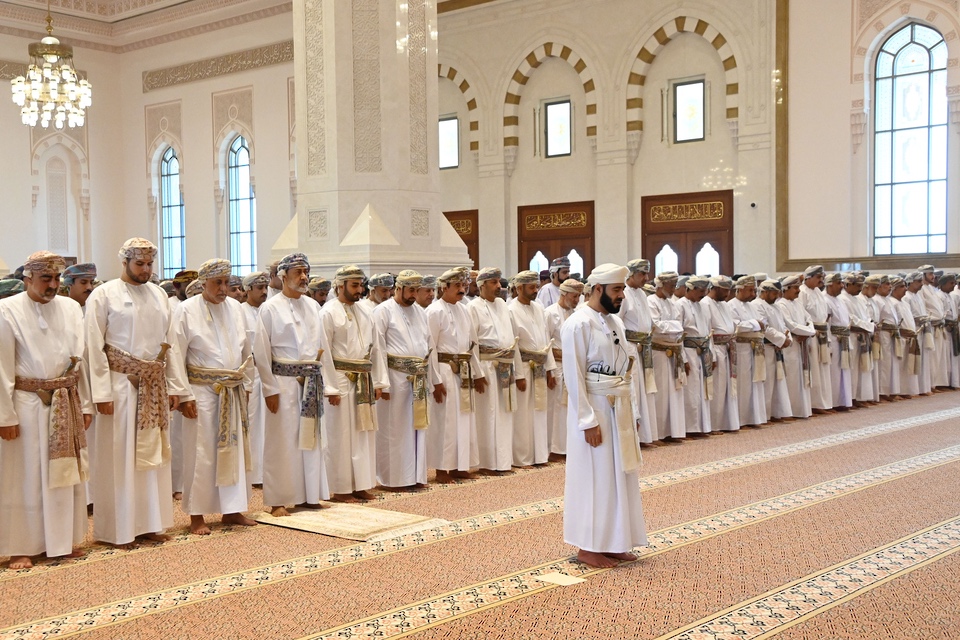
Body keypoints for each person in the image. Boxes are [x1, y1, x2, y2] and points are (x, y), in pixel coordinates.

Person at [85, 238, 189, 547]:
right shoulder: (103, 295)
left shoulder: (159, 294)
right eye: (139, 264)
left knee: (152, 458)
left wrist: (176, 388)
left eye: (149, 264)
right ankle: (117, 531)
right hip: (119, 388)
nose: (145, 269)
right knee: (120, 459)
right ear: (125, 262)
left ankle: (150, 523)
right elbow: (93, 346)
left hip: (155, 388)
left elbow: (171, 346)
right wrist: (101, 393)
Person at [0, 251, 92, 569]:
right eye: (45, 279)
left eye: (57, 278)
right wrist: (5, 415)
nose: (53, 285)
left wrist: (87, 403)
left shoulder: (69, 308)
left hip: (65, 401)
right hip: (26, 405)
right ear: (28, 278)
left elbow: (81, 361)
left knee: (62, 476)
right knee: (24, 477)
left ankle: (60, 541)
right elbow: (1, 368)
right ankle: (20, 546)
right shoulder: (7, 309)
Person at [562, 263, 647, 569]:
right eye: (617, 290)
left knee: (620, 477)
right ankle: (589, 547)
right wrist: (588, 420)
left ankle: (615, 542)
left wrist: (633, 412)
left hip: (619, 408)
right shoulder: (578, 324)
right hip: (595, 410)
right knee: (595, 479)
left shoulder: (615, 322)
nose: (622, 295)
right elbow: (573, 376)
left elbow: (626, 370)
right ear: (598, 289)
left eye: (623, 289)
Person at [172, 259, 256, 534]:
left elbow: (246, 350)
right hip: (201, 391)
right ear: (203, 282)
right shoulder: (186, 310)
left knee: (233, 449)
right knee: (201, 452)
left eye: (226, 282)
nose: (223, 288)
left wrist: (247, 383)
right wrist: (183, 395)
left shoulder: (236, 308)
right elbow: (175, 354)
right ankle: (197, 515)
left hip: (232, 389)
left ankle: (232, 510)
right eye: (217, 283)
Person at [254, 254, 331, 515]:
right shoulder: (270, 307)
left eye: (306, 271)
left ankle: (308, 495)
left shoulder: (313, 306)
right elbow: (261, 352)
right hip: (283, 383)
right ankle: (277, 500)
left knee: (310, 438)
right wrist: (269, 389)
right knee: (281, 442)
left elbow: (323, 348)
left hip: (311, 382)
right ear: (283, 276)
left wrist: (327, 384)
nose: (304, 277)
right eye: (298, 272)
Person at [318, 265, 388, 502]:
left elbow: (377, 348)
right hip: (341, 380)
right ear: (340, 285)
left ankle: (361, 484)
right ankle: (341, 488)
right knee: (341, 435)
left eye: (361, 285)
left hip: (364, 379)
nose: (359, 290)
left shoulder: (366, 311)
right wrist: (330, 387)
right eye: (354, 285)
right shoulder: (328, 312)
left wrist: (379, 381)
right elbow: (324, 351)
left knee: (363, 433)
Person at [373, 270, 437, 489]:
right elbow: (378, 348)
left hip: (419, 377)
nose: (414, 294)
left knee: (417, 427)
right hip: (395, 377)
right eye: (411, 290)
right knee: (394, 428)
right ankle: (392, 479)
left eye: (416, 290)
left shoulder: (420, 312)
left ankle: (415, 476)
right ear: (398, 288)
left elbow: (430, 346)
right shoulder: (383, 311)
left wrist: (433, 379)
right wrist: (381, 382)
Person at [426, 267, 485, 483]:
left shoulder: (464, 310)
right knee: (446, 421)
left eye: (464, 285)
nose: (462, 290)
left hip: (465, 371)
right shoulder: (434, 311)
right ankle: (442, 469)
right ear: (444, 287)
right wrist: (436, 381)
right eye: (457, 286)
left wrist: (477, 373)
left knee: (464, 419)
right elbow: (429, 347)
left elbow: (471, 346)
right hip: (444, 370)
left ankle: (460, 465)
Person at [468, 268, 524, 474]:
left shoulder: (503, 305)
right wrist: (477, 374)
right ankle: (487, 463)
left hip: (506, 367)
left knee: (505, 414)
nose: (499, 286)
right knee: (488, 415)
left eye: (499, 282)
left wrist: (519, 373)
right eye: (493, 282)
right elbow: (471, 343)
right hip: (486, 368)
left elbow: (514, 341)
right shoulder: (472, 307)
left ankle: (502, 462)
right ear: (482, 286)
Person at [509, 270, 558, 467]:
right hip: (523, 366)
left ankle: (540, 455)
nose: (535, 290)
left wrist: (550, 369)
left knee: (540, 411)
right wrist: (518, 375)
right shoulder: (510, 310)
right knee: (522, 415)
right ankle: (522, 458)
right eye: (531, 287)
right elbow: (513, 345)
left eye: (537, 286)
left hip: (540, 365)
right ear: (519, 288)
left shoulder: (539, 309)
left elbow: (547, 341)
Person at [618, 259, 657, 444]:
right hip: (630, 349)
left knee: (644, 391)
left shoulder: (641, 294)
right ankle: (631, 436)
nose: (646, 278)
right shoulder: (623, 294)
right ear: (631, 274)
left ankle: (643, 436)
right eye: (642, 274)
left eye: (646, 274)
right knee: (633, 390)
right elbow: (617, 324)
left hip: (644, 349)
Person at [544, 278, 583, 459]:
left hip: (573, 366)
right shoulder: (550, 313)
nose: (577, 300)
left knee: (572, 407)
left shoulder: (577, 313)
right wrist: (549, 369)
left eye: (578, 297)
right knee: (557, 407)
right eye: (574, 296)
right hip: (557, 366)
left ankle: (569, 446)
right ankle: (554, 448)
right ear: (564, 294)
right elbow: (546, 343)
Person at [647, 271, 686, 441]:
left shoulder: (673, 304)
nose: (673, 289)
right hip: (658, 352)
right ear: (661, 285)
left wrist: (672, 327)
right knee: (661, 394)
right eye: (671, 286)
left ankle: (674, 431)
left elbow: (680, 327)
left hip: (675, 351)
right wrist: (675, 326)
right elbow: (656, 326)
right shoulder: (650, 302)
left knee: (675, 393)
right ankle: (660, 433)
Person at [727, 275, 768, 427]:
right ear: (740, 289)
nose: (753, 294)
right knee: (743, 384)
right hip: (741, 349)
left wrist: (756, 324)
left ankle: (754, 417)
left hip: (755, 349)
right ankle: (742, 419)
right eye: (750, 290)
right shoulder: (731, 305)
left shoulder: (752, 306)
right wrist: (754, 324)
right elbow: (736, 326)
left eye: (755, 290)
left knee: (755, 383)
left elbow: (762, 323)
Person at [241, 271, 270, 487]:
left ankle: (267, 472)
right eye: (259, 288)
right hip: (250, 373)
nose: (264, 291)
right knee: (252, 422)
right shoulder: (239, 312)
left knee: (269, 423)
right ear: (247, 289)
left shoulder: (269, 310)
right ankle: (252, 474)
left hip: (269, 373)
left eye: (265, 287)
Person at [701, 276, 740, 431]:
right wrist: (712, 355)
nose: (728, 293)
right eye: (724, 290)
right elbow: (707, 331)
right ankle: (714, 425)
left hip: (727, 348)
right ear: (715, 288)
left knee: (726, 387)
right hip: (715, 348)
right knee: (716, 387)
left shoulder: (724, 304)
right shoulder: (705, 304)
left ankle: (726, 423)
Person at [752, 280, 793, 421]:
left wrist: (786, 338)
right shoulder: (757, 305)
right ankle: (766, 415)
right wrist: (781, 339)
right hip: (766, 348)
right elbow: (764, 328)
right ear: (765, 292)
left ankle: (777, 412)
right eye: (774, 293)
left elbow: (783, 325)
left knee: (778, 381)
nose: (777, 296)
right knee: (767, 382)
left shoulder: (775, 306)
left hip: (777, 347)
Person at [677, 276, 713, 435]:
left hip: (704, 352)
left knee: (703, 389)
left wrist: (712, 355)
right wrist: (683, 358)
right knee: (690, 391)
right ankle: (690, 428)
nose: (703, 294)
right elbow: (678, 334)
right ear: (689, 289)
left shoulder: (704, 306)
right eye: (700, 291)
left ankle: (702, 426)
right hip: (689, 351)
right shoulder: (680, 305)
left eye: (705, 291)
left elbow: (709, 331)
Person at [776, 275, 815, 418]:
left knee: (801, 377)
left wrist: (810, 331)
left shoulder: (797, 303)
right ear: (786, 289)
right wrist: (809, 332)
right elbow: (791, 325)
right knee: (792, 377)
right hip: (791, 346)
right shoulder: (781, 304)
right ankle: (791, 411)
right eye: (795, 288)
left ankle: (802, 410)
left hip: (802, 344)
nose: (798, 291)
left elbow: (808, 319)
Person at [799, 266, 833, 414]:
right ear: (808, 277)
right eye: (818, 277)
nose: (821, 280)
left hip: (823, 333)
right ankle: (815, 404)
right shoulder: (802, 292)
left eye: (822, 277)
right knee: (814, 369)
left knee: (823, 368)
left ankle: (824, 403)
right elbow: (802, 315)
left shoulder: (818, 292)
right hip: (812, 335)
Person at [839, 273, 876, 406]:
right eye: (857, 286)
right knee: (852, 369)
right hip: (852, 336)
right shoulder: (842, 299)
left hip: (863, 336)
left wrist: (869, 325)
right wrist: (867, 326)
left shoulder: (859, 299)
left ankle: (859, 396)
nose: (860, 289)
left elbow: (866, 316)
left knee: (862, 369)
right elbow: (851, 318)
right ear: (848, 284)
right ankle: (851, 398)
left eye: (862, 286)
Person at [919, 265, 949, 390]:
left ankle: (934, 383)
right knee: (931, 357)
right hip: (930, 326)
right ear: (923, 275)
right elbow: (923, 309)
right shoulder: (921, 290)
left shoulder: (932, 289)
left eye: (933, 274)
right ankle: (929, 384)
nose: (933, 276)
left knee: (938, 357)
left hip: (939, 326)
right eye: (930, 274)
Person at [875, 275, 903, 401]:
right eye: (887, 284)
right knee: (883, 364)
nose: (890, 287)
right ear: (879, 286)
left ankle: (891, 391)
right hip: (883, 335)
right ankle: (882, 392)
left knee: (892, 363)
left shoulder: (888, 300)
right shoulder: (876, 300)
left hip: (891, 335)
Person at [938, 273, 959, 388]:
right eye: (951, 283)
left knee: (953, 356)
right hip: (945, 329)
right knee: (945, 357)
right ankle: (944, 382)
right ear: (943, 284)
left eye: (954, 283)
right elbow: (942, 314)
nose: (954, 285)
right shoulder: (939, 296)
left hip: (953, 329)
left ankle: (953, 382)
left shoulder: (950, 296)